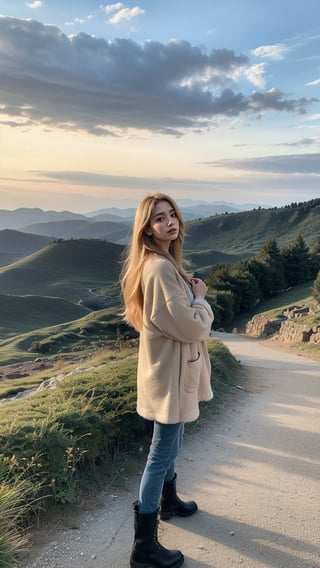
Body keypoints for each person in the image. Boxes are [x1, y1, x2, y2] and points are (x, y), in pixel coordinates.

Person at [120, 193, 214, 568]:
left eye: (172, 214)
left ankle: (169, 502)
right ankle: (143, 548)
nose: (169, 222)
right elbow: (191, 325)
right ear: (147, 228)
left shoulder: (163, 264)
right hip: (170, 375)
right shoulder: (158, 269)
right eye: (159, 218)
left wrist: (188, 293)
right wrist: (201, 299)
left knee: (172, 442)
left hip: (170, 371)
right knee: (160, 454)